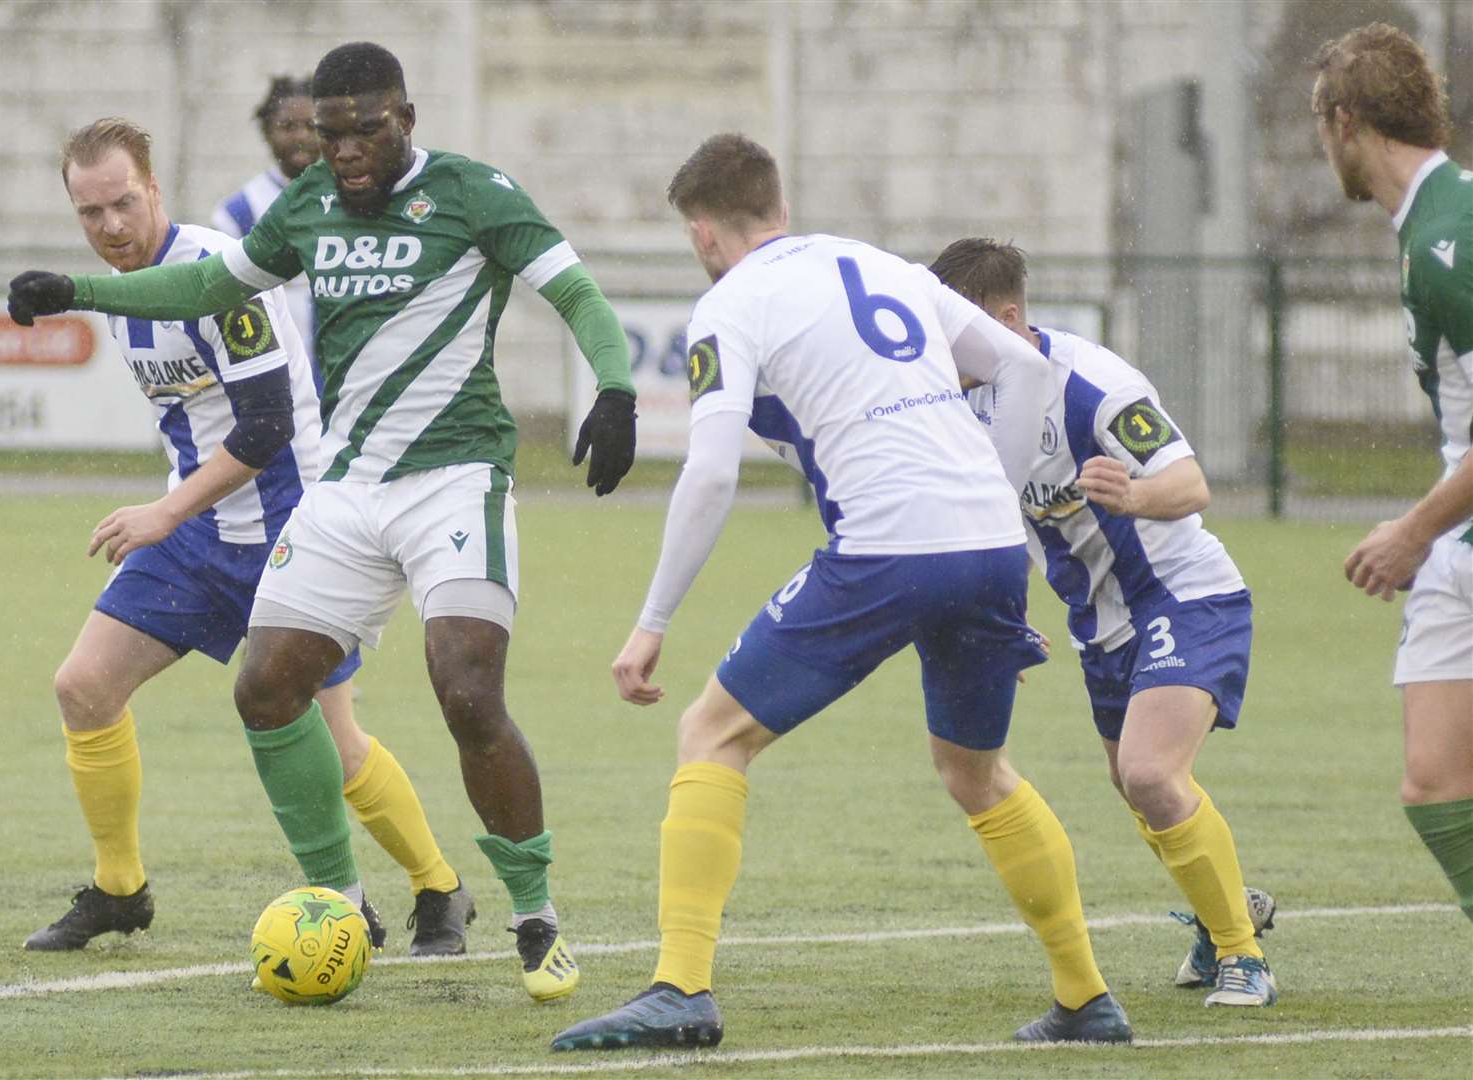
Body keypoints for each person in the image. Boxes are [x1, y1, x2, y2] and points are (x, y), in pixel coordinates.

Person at [8, 42, 639, 1001]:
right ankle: (336, 903)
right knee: (262, 690)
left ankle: (532, 913)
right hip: (346, 489)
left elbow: (576, 292)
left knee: (464, 693)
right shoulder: (304, 208)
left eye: (364, 131)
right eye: (329, 133)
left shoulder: (473, 193)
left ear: (407, 120)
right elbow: (213, 288)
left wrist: (618, 386)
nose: (344, 150)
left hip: (452, 478)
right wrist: (79, 292)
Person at [552, 134, 1130, 1052]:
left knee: (710, 733)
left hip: (886, 545)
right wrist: (994, 496)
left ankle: (681, 989)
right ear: (778, 205)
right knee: (975, 771)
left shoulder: (731, 300)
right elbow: (1021, 366)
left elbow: (709, 475)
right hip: (988, 544)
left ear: (704, 233)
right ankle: (1086, 997)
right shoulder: (881, 263)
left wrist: (652, 621)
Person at [25, 118, 472, 959]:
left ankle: (438, 886)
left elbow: (266, 425)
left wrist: (161, 513)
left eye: (123, 203)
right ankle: (120, 890)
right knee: (83, 687)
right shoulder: (124, 293)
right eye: (90, 213)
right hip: (197, 538)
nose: (110, 227)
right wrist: (176, 517)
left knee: (338, 747)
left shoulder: (213, 274)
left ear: (154, 189)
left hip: (293, 537)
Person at [931, 239, 1278, 1006]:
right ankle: (1224, 904)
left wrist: (1132, 497)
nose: (942, 345)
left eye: (955, 326)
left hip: (1186, 596)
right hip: (1104, 627)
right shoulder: (970, 399)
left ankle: (1242, 955)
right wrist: (1003, 624)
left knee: (1151, 773)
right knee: (1137, 785)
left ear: (1006, 317)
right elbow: (1003, 523)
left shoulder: (1091, 386)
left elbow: (1190, 485)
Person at [1312, 23, 1473, 922]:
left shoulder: (1454, 236)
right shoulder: (1427, 229)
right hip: (1461, 538)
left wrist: (1415, 529)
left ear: (1344, 122)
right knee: (1436, 782)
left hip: (1453, 532)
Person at [213, 76, 322, 380]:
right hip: (273, 364)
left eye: (312, 126)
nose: (301, 136)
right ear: (266, 132)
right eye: (288, 127)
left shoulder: (350, 197)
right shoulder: (237, 212)